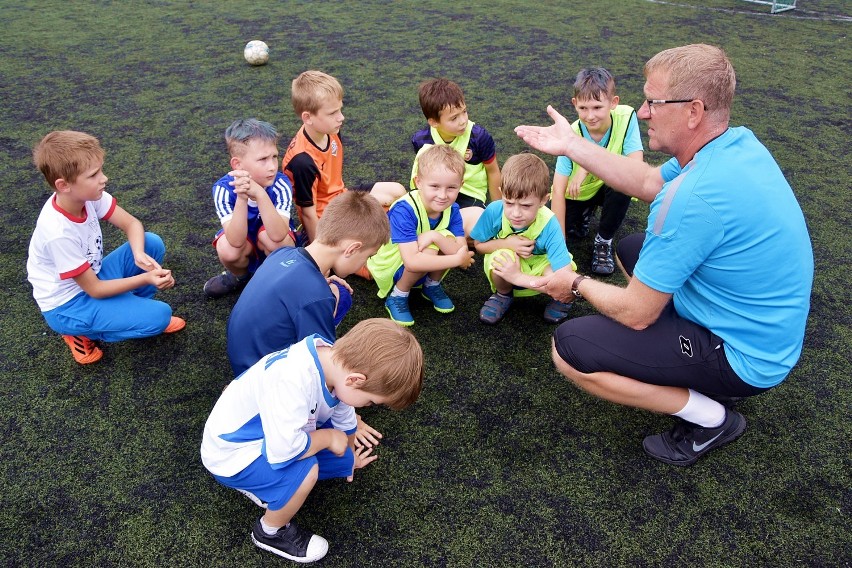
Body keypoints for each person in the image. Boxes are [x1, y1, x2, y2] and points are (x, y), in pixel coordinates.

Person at [515, 44, 813, 466]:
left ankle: (711, 419)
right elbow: (648, 180)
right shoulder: (733, 144)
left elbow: (636, 312)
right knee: (631, 248)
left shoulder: (693, 199)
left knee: (569, 348)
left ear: (693, 111)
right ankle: (688, 354)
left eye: (653, 101)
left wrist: (575, 283)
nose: (642, 111)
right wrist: (571, 146)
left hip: (746, 356)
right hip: (767, 330)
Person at [201, 318, 424, 563]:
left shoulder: (334, 361)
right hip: (230, 455)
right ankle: (270, 532)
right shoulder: (292, 380)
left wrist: (347, 455)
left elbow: (343, 412)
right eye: (371, 401)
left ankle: (268, 486)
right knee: (307, 469)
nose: (369, 407)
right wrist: (328, 437)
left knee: (329, 445)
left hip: (267, 437)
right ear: (356, 380)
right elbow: (286, 450)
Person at [26, 131, 185, 364]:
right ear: (64, 185)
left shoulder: (89, 196)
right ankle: (79, 333)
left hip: (93, 278)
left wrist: (139, 254)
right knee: (160, 316)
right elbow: (96, 290)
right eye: (93, 175)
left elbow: (131, 224)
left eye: (100, 170)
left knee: (150, 243)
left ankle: (132, 307)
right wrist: (146, 278)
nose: (104, 178)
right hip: (69, 305)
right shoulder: (57, 233)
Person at [226, 190, 389, 377]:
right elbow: (320, 368)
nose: (366, 263)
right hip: (264, 381)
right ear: (352, 249)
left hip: (243, 358)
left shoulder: (283, 253)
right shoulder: (316, 296)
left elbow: (294, 286)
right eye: (368, 256)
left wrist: (318, 282)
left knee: (338, 293)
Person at [281, 70, 406, 249]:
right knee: (371, 245)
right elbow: (308, 213)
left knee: (397, 192)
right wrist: (321, 257)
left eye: (340, 109)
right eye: (333, 113)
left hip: (341, 196)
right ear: (308, 118)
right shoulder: (302, 161)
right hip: (327, 216)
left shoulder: (331, 130)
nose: (341, 117)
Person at [367, 145, 475, 326]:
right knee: (433, 246)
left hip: (418, 260)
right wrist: (457, 260)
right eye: (434, 186)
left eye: (451, 187)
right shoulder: (405, 209)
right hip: (390, 265)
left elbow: (461, 248)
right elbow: (413, 262)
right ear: (418, 182)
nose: (443, 195)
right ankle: (397, 295)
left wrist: (435, 236)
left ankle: (431, 285)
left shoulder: (452, 209)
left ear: (461, 186)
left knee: (443, 237)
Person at [550, 67, 644, 275]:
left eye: (597, 107)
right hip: (579, 192)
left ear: (614, 103)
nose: (590, 116)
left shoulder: (626, 117)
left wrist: (587, 163)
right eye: (583, 108)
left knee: (624, 182)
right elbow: (557, 190)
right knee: (567, 232)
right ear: (574, 104)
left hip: (611, 185)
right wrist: (559, 245)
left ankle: (604, 240)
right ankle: (584, 213)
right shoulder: (572, 132)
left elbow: (636, 168)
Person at [470, 153, 575, 324]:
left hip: (541, 263)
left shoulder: (550, 223)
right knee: (500, 259)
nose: (516, 213)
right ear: (501, 193)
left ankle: (561, 298)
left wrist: (522, 278)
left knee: (560, 279)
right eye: (509, 203)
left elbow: (564, 273)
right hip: (517, 264)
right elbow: (479, 245)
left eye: (526, 206)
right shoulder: (494, 210)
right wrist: (506, 244)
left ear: (543, 200)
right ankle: (503, 294)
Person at [203, 119, 296, 299]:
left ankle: (275, 279)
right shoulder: (223, 189)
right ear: (238, 164)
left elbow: (278, 235)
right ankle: (241, 278)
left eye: (275, 157)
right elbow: (236, 241)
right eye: (263, 159)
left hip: (272, 242)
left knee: (273, 240)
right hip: (244, 243)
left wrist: (260, 194)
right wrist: (242, 197)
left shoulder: (280, 184)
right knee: (227, 248)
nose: (272, 166)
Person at [410, 78, 501, 238]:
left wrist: (499, 211)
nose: (463, 121)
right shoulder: (421, 140)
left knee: (480, 227)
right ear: (433, 122)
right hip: (438, 193)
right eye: (454, 118)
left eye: (464, 112)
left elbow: (493, 172)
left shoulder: (479, 137)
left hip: (470, 196)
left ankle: (439, 236)